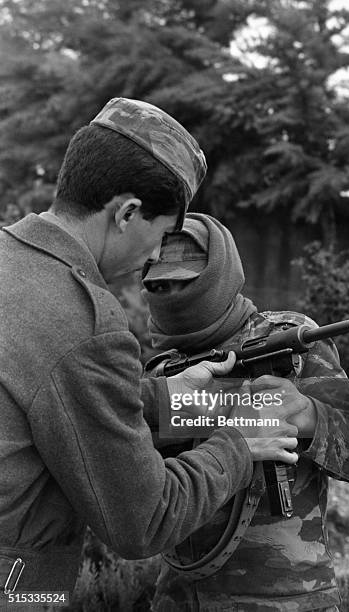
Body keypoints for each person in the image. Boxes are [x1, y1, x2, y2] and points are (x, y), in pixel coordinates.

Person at [0, 98, 301, 605]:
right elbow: (144, 520)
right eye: (163, 234)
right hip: (18, 585)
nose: (158, 256)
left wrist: (161, 396)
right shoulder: (87, 324)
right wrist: (238, 445)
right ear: (127, 212)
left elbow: (41, 391)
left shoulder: (10, 261)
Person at [142, 212, 349, 612]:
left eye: (183, 281)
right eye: (158, 285)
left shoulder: (290, 342)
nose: (169, 293)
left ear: (219, 274)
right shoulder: (162, 373)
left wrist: (308, 415)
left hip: (291, 596)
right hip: (183, 594)